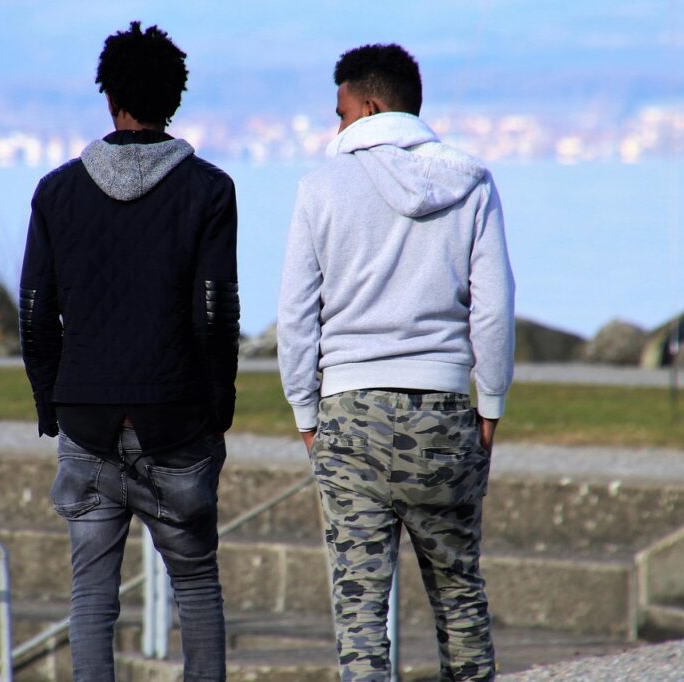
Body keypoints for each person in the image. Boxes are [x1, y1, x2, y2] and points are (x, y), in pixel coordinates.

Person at [277, 43, 514, 681]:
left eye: (340, 112)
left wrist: (305, 408)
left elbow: (297, 315)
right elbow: (491, 310)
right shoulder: (472, 182)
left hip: (349, 416)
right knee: (460, 595)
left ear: (369, 106)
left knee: (360, 617)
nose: (337, 127)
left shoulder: (319, 187)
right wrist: (488, 403)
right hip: (442, 411)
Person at [19, 21, 238, 682]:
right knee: (196, 587)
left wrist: (51, 403)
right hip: (178, 420)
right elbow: (213, 313)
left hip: (84, 416)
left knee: (91, 600)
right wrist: (217, 405)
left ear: (110, 96)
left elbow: (34, 312)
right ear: (175, 98)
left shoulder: (56, 191)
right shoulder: (209, 189)